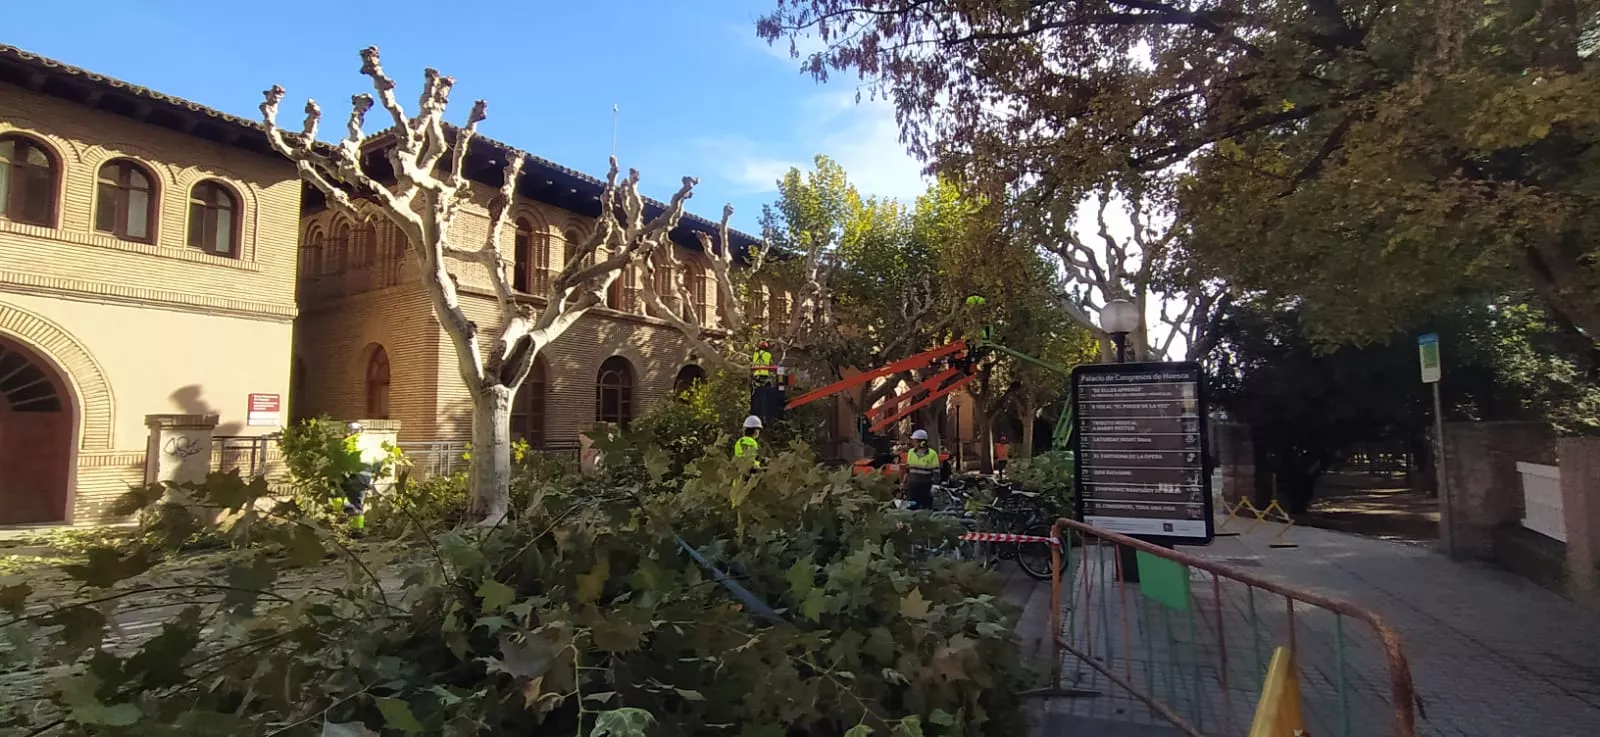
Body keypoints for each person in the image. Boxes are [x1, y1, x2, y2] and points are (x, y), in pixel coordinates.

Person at [902, 429, 940, 510]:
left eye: (915, 441)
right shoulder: (911, 452)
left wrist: (935, 485)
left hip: (925, 488)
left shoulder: (932, 454)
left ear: (923, 442)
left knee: (925, 510)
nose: (913, 443)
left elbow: (936, 472)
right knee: (911, 509)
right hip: (912, 488)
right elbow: (907, 470)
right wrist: (904, 483)